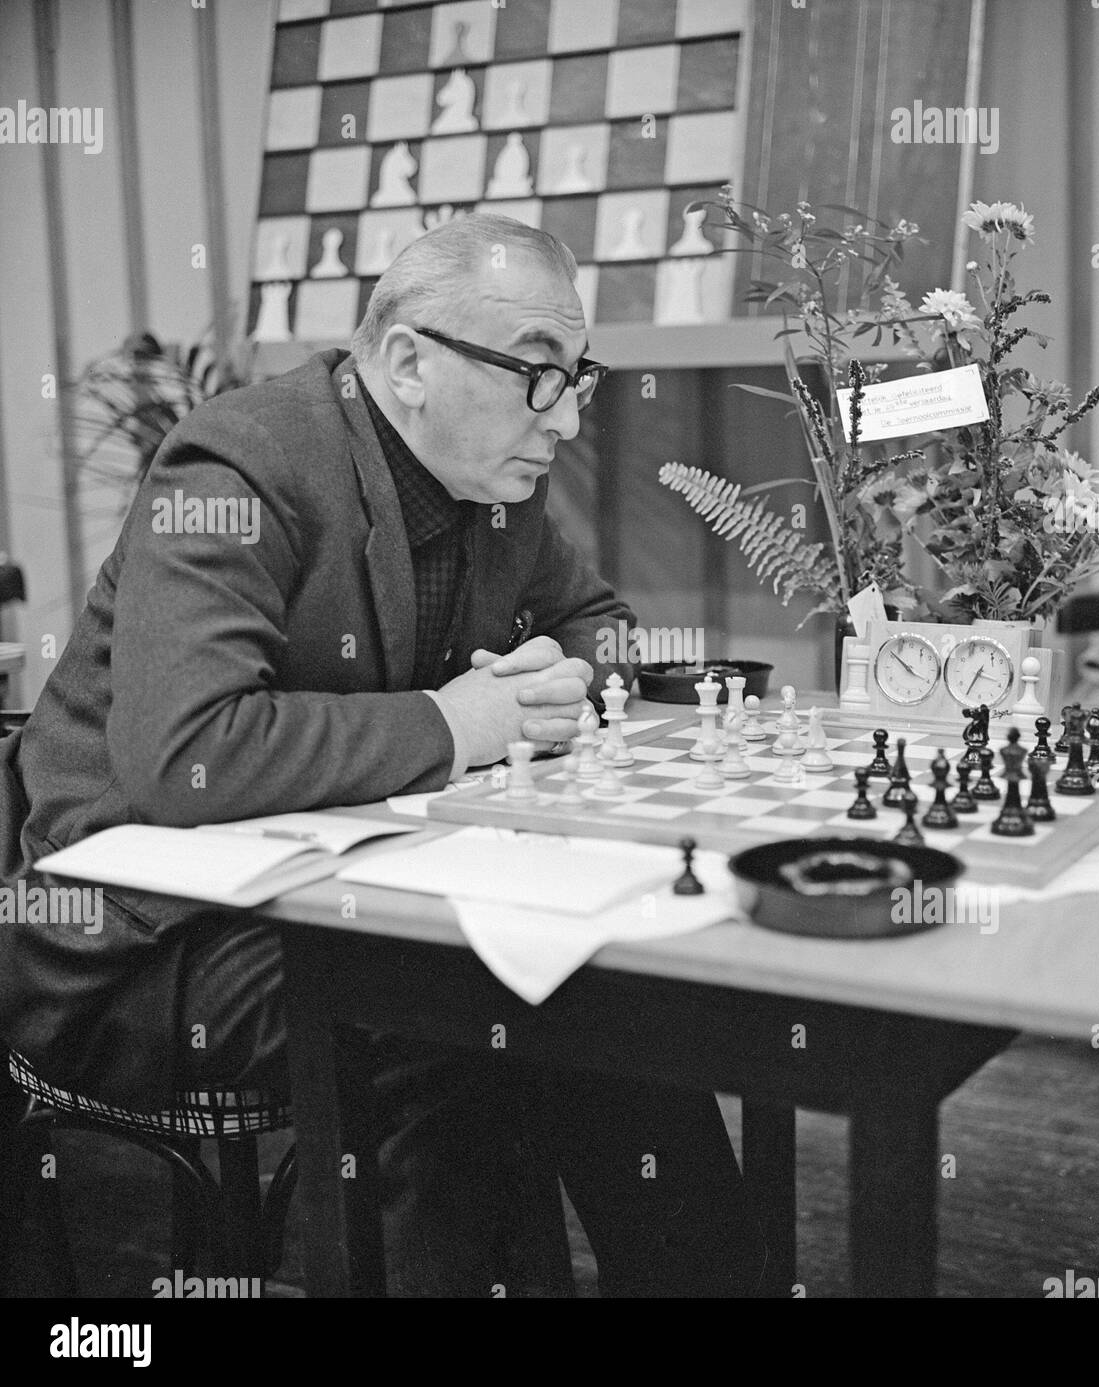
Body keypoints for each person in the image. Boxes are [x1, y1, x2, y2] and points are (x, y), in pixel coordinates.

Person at [0, 214, 767, 1296]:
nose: (570, 414)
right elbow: (187, 753)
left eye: (578, 375)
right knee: (457, 1020)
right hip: (142, 939)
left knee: (602, 990)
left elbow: (599, 622)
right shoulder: (242, 461)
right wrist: (459, 724)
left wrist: (556, 673)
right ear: (409, 360)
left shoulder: (496, 482)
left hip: (343, 877)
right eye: (537, 374)